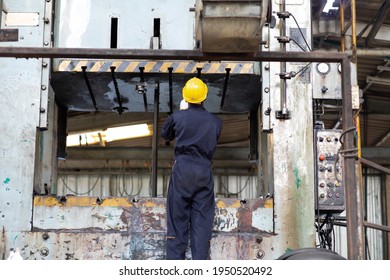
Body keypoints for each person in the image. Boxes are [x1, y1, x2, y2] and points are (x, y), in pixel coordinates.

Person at [161, 77, 222, 260]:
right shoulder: (215, 122)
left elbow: (165, 134)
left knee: (177, 223)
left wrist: (180, 113)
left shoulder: (178, 117)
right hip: (204, 172)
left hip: (182, 171)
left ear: (185, 97)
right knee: (202, 225)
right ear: (204, 97)